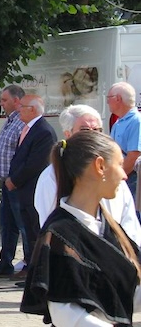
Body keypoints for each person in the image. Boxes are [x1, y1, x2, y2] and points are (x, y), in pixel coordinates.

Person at [21, 130, 141, 326]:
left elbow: (125, 294)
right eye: (119, 164)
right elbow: (64, 312)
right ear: (100, 166)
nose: (124, 175)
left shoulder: (111, 228)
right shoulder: (59, 233)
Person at [33, 104, 141, 243]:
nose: (92, 134)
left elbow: (130, 225)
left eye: (97, 129)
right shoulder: (52, 177)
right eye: (84, 129)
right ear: (68, 134)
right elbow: (52, 228)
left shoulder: (113, 173)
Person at [5, 94, 57, 267]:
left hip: (32, 190)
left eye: (23, 106)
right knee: (29, 233)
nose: (19, 109)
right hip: (25, 192)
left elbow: (35, 163)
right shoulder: (29, 128)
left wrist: (15, 180)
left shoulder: (43, 131)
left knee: (36, 233)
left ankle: (36, 270)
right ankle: (31, 268)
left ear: (33, 109)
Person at [0, 84, 28, 279]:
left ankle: (29, 263)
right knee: (8, 225)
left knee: (23, 225)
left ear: (16, 100)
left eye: (4, 100)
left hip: (16, 184)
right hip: (6, 184)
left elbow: (24, 155)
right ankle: (5, 262)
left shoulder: (22, 122)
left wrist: (15, 178)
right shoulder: (11, 121)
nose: (1, 104)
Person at [107, 81, 141, 198]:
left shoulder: (137, 121)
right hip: (123, 178)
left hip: (131, 180)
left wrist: (115, 179)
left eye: (109, 97)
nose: (107, 101)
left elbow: (133, 157)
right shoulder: (118, 122)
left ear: (118, 99)